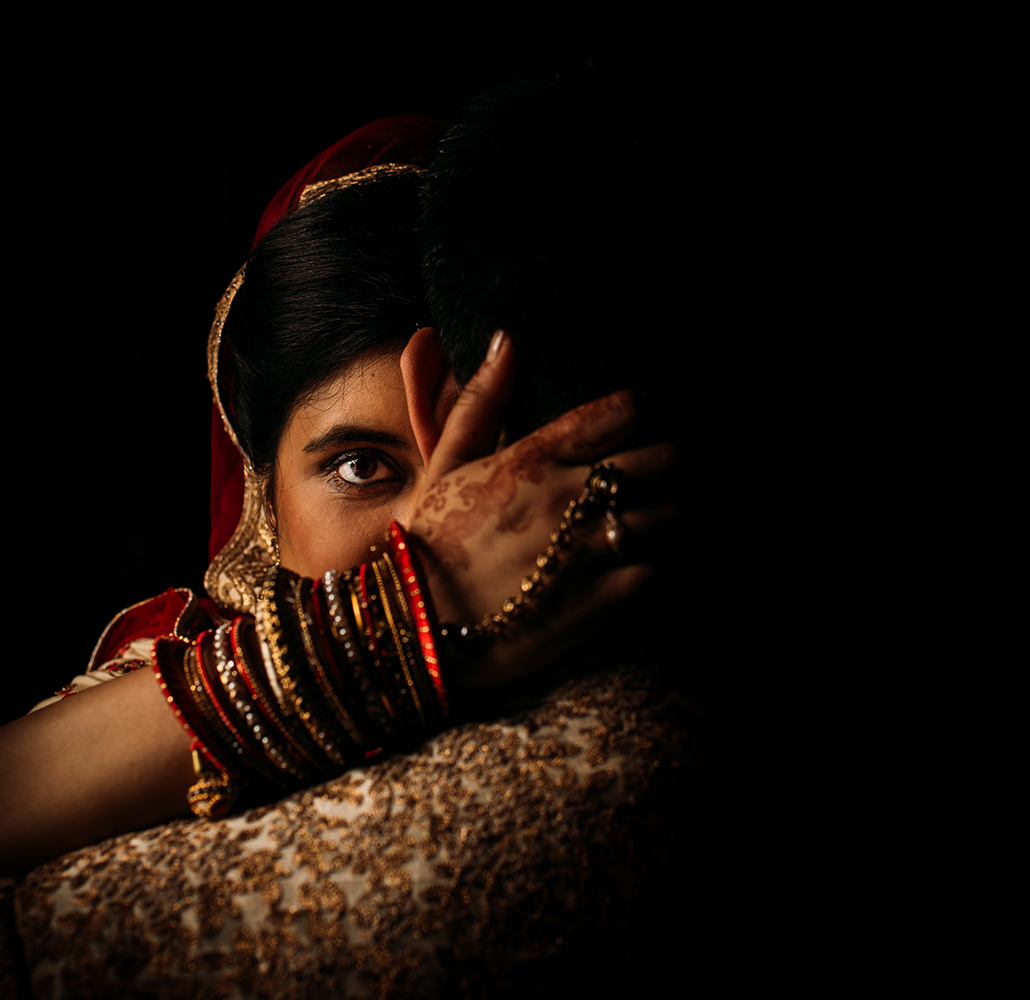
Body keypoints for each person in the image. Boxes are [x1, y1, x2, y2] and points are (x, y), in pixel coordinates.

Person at [3, 107, 696, 994]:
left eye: (488, 464)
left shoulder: (647, 732)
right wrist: (418, 603)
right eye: (362, 465)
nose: (437, 516)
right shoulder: (171, 668)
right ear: (262, 494)